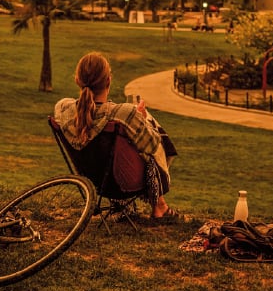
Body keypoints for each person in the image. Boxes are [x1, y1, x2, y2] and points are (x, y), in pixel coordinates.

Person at [53, 52, 180, 222]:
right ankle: (159, 205)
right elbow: (153, 145)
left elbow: (86, 113)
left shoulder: (63, 108)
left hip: (90, 179)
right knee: (150, 134)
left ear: (77, 80)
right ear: (109, 80)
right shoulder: (124, 113)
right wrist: (142, 119)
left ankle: (151, 205)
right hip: (123, 181)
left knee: (130, 139)